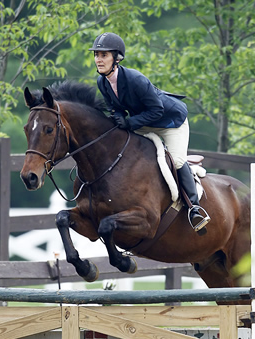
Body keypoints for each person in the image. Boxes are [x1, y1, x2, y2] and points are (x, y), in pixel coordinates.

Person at [89, 32, 210, 235]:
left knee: (177, 162)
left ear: (116, 58)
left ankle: (194, 208)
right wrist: (118, 118)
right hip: (144, 121)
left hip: (171, 122)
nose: (99, 59)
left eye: (104, 55)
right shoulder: (103, 82)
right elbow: (115, 108)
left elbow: (157, 111)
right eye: (97, 55)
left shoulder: (135, 78)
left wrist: (129, 122)